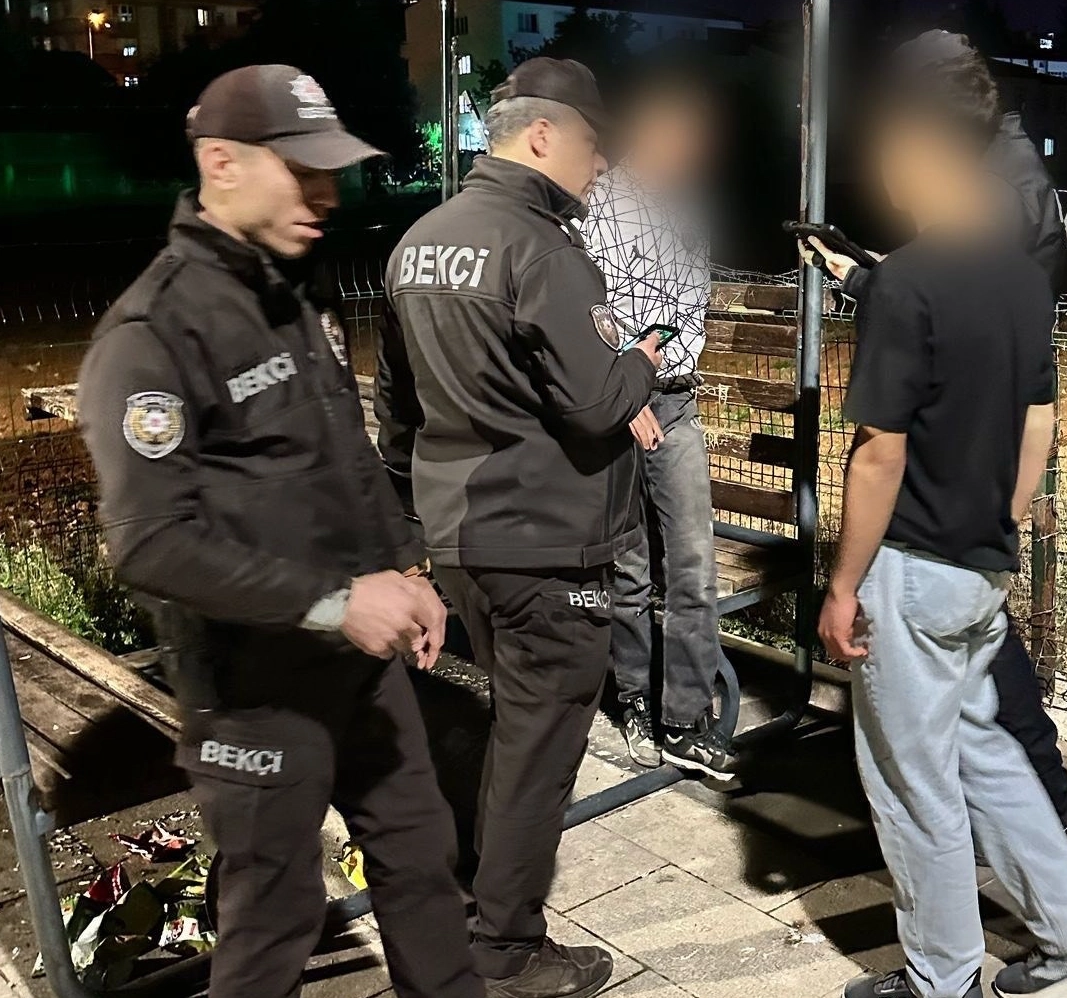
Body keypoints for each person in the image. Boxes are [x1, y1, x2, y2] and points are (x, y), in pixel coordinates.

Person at [77, 65, 480, 998]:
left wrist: (405, 568)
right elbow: (149, 542)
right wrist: (337, 602)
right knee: (275, 918)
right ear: (221, 163)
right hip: (251, 694)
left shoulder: (294, 292)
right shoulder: (152, 333)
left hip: (360, 666)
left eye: (331, 170)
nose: (327, 194)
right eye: (302, 171)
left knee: (423, 858)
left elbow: (345, 454)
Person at [810, 36, 1067, 998]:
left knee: (912, 786)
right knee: (983, 751)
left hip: (908, 570)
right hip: (977, 563)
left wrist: (842, 587)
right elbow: (1037, 420)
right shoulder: (1017, 275)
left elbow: (878, 452)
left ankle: (941, 980)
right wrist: (995, 519)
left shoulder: (906, 281)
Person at [378, 57, 661, 998]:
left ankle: (478, 907)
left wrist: (411, 542)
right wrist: (642, 358)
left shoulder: (418, 243)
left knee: (514, 728)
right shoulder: (540, 250)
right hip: (547, 544)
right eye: (592, 145)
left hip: (462, 538)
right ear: (543, 135)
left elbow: (396, 415)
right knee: (539, 750)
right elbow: (596, 403)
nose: (599, 165)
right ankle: (504, 949)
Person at [813, 32, 1067, 849]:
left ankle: (1037, 805)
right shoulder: (999, 163)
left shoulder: (996, 182)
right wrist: (871, 278)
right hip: (985, 425)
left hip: (962, 432)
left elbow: (956, 302)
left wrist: (879, 284)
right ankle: (1042, 826)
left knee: (943, 709)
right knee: (975, 661)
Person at [579, 72, 734, 779]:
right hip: (615, 404)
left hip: (674, 401)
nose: (691, 153)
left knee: (694, 563)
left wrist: (658, 378)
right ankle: (635, 699)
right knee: (630, 566)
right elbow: (589, 314)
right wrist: (625, 393)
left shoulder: (690, 210)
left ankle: (684, 716)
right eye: (681, 139)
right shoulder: (599, 204)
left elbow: (687, 314)